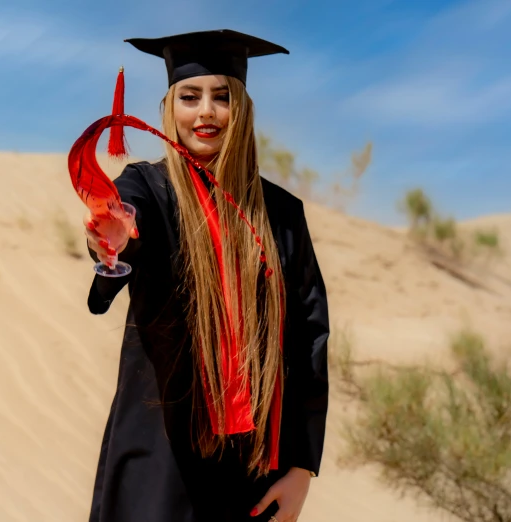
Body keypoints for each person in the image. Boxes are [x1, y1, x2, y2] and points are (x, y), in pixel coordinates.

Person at [81, 29, 330, 522]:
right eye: (190, 97)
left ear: (242, 109)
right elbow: (124, 223)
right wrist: (109, 236)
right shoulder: (148, 188)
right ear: (170, 107)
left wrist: (302, 467)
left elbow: (308, 338)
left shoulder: (280, 213)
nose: (206, 112)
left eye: (221, 97)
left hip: (255, 466)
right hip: (161, 453)